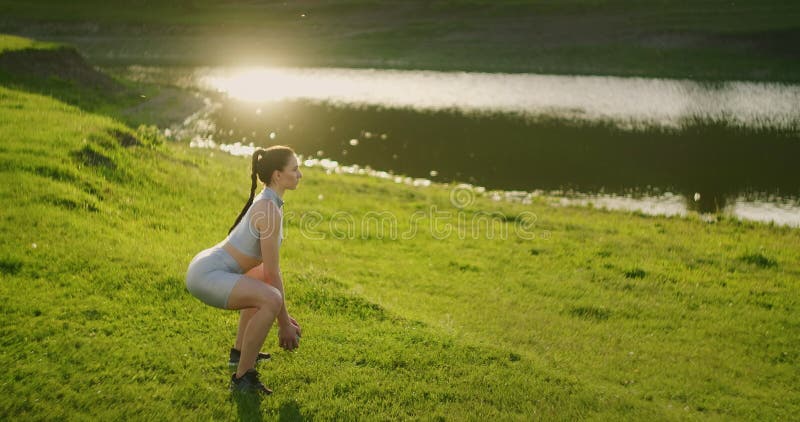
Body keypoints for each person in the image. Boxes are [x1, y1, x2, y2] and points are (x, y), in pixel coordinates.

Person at [185, 145, 303, 395]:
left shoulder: (271, 203)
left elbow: (264, 272)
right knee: (271, 297)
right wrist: (284, 323)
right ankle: (243, 378)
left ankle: (240, 353)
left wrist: (284, 319)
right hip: (206, 275)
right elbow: (274, 273)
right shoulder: (269, 210)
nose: (299, 174)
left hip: (207, 267)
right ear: (277, 176)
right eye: (295, 169)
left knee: (260, 280)